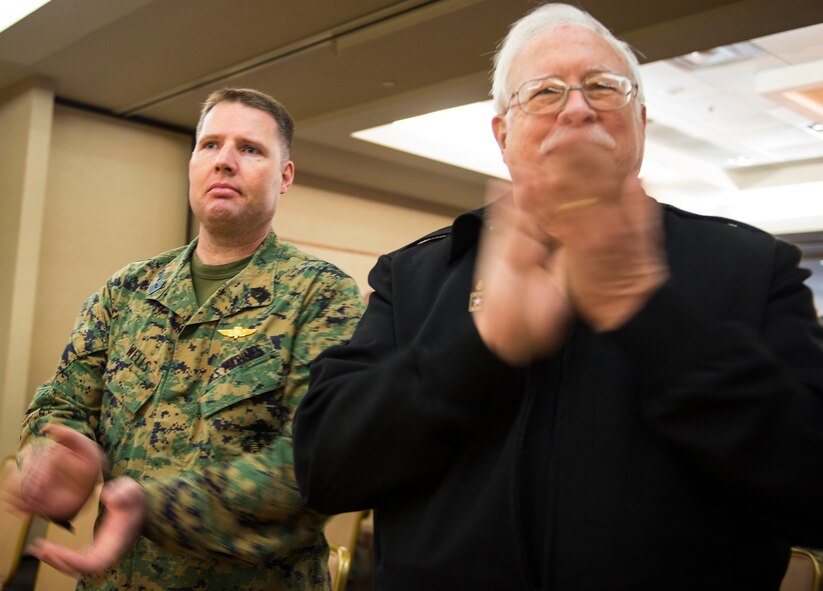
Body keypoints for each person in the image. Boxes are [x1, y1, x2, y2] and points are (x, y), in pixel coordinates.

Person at [293, 4, 823, 590]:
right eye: (544, 92)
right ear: (503, 133)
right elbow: (326, 469)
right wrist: (477, 349)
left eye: (603, 86)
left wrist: (655, 319)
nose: (577, 106)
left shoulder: (750, 266)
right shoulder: (416, 275)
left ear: (641, 119)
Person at [5, 88, 365, 590]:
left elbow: (313, 463)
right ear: (192, 163)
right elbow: (62, 401)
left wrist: (152, 507)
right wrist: (59, 453)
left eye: (250, 149)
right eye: (210, 145)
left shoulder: (321, 296)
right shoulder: (128, 289)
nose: (224, 162)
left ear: (285, 177)